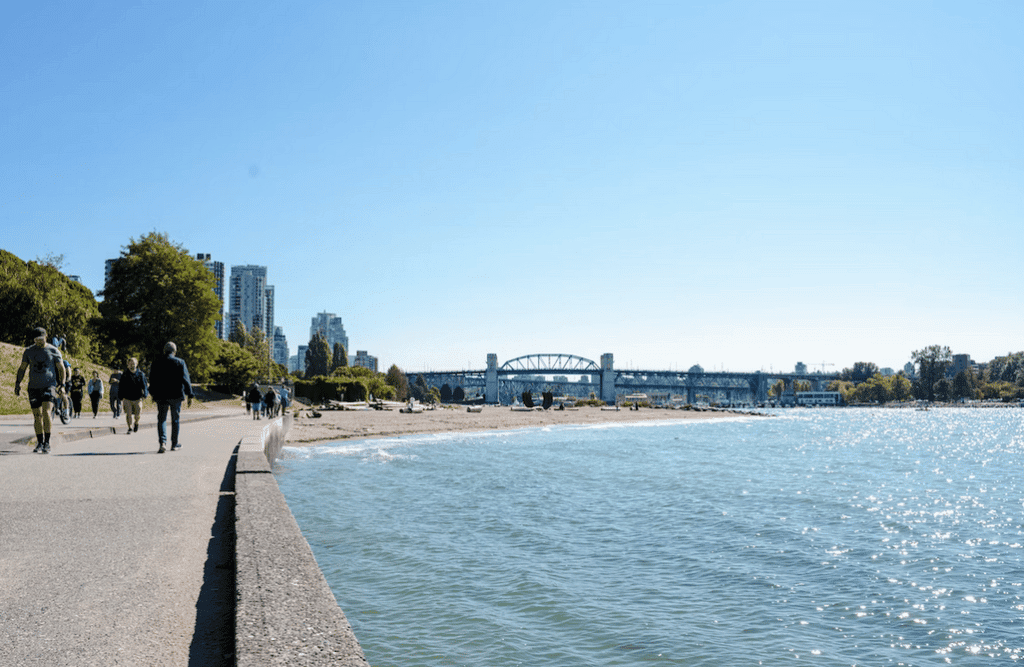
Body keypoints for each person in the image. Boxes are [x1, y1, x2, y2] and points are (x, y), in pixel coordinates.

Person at [14, 327, 67, 454]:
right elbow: (22, 368)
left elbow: (61, 369)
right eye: (36, 340)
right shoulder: (28, 351)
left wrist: (62, 384)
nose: (39, 342)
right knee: (37, 415)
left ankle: (47, 443)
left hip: (50, 386)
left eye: (41, 339)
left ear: (46, 337)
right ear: (33, 339)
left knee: (47, 412)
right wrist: (17, 383)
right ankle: (39, 442)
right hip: (33, 387)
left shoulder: (54, 350)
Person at [148, 341, 193, 453]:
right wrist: (190, 395)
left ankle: (162, 442)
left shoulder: (156, 363)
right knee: (175, 419)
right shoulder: (180, 362)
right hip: (176, 395)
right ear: (175, 351)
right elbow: (186, 380)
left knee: (162, 419)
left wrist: (152, 394)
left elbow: (152, 380)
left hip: (161, 395)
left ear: (164, 350)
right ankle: (174, 444)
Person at [120, 357, 148, 434]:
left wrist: (145, 394)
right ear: (128, 365)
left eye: (134, 363)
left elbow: (145, 386)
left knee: (137, 415)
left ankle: (136, 423)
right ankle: (129, 427)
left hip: (138, 398)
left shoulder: (141, 374)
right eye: (130, 363)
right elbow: (121, 386)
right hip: (127, 398)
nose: (132, 365)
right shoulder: (125, 374)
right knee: (128, 414)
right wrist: (120, 396)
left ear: (136, 364)